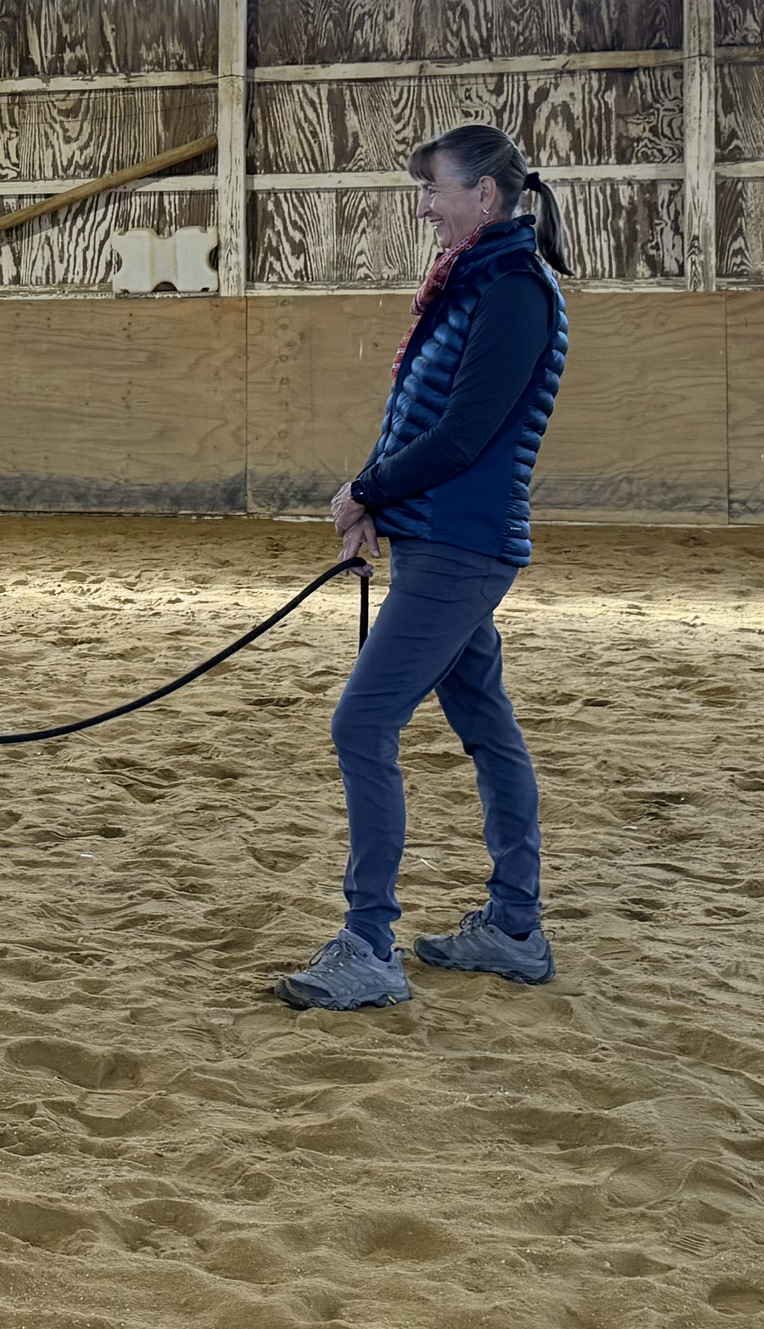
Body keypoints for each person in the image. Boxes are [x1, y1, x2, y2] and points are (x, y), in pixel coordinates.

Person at [274, 124, 574, 1012]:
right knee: (486, 723)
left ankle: (369, 942)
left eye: (434, 188)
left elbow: (461, 435)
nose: (424, 206)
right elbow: (423, 417)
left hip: (462, 547)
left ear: (485, 194)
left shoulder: (513, 291)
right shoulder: (475, 285)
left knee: (360, 724)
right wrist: (379, 503)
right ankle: (515, 926)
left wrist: (364, 488)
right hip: (443, 539)